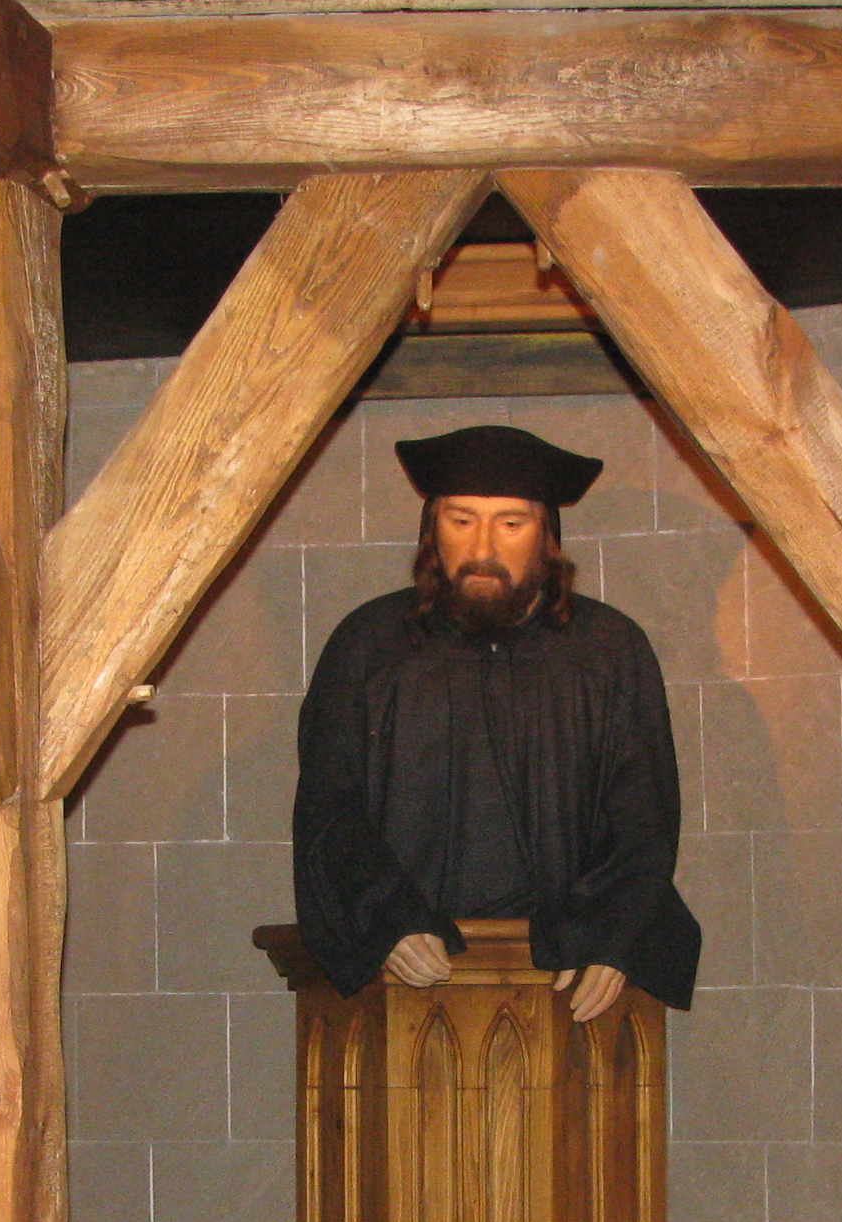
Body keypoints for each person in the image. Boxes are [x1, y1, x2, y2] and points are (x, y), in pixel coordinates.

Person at [292, 422, 699, 1019]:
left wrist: (610, 934)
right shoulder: (370, 647)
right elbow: (329, 808)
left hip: (562, 985)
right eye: (461, 521)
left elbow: (644, 817)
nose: (483, 547)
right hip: (404, 987)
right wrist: (386, 918)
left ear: (546, 536)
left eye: (511, 524)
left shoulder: (608, 651)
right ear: (432, 529)